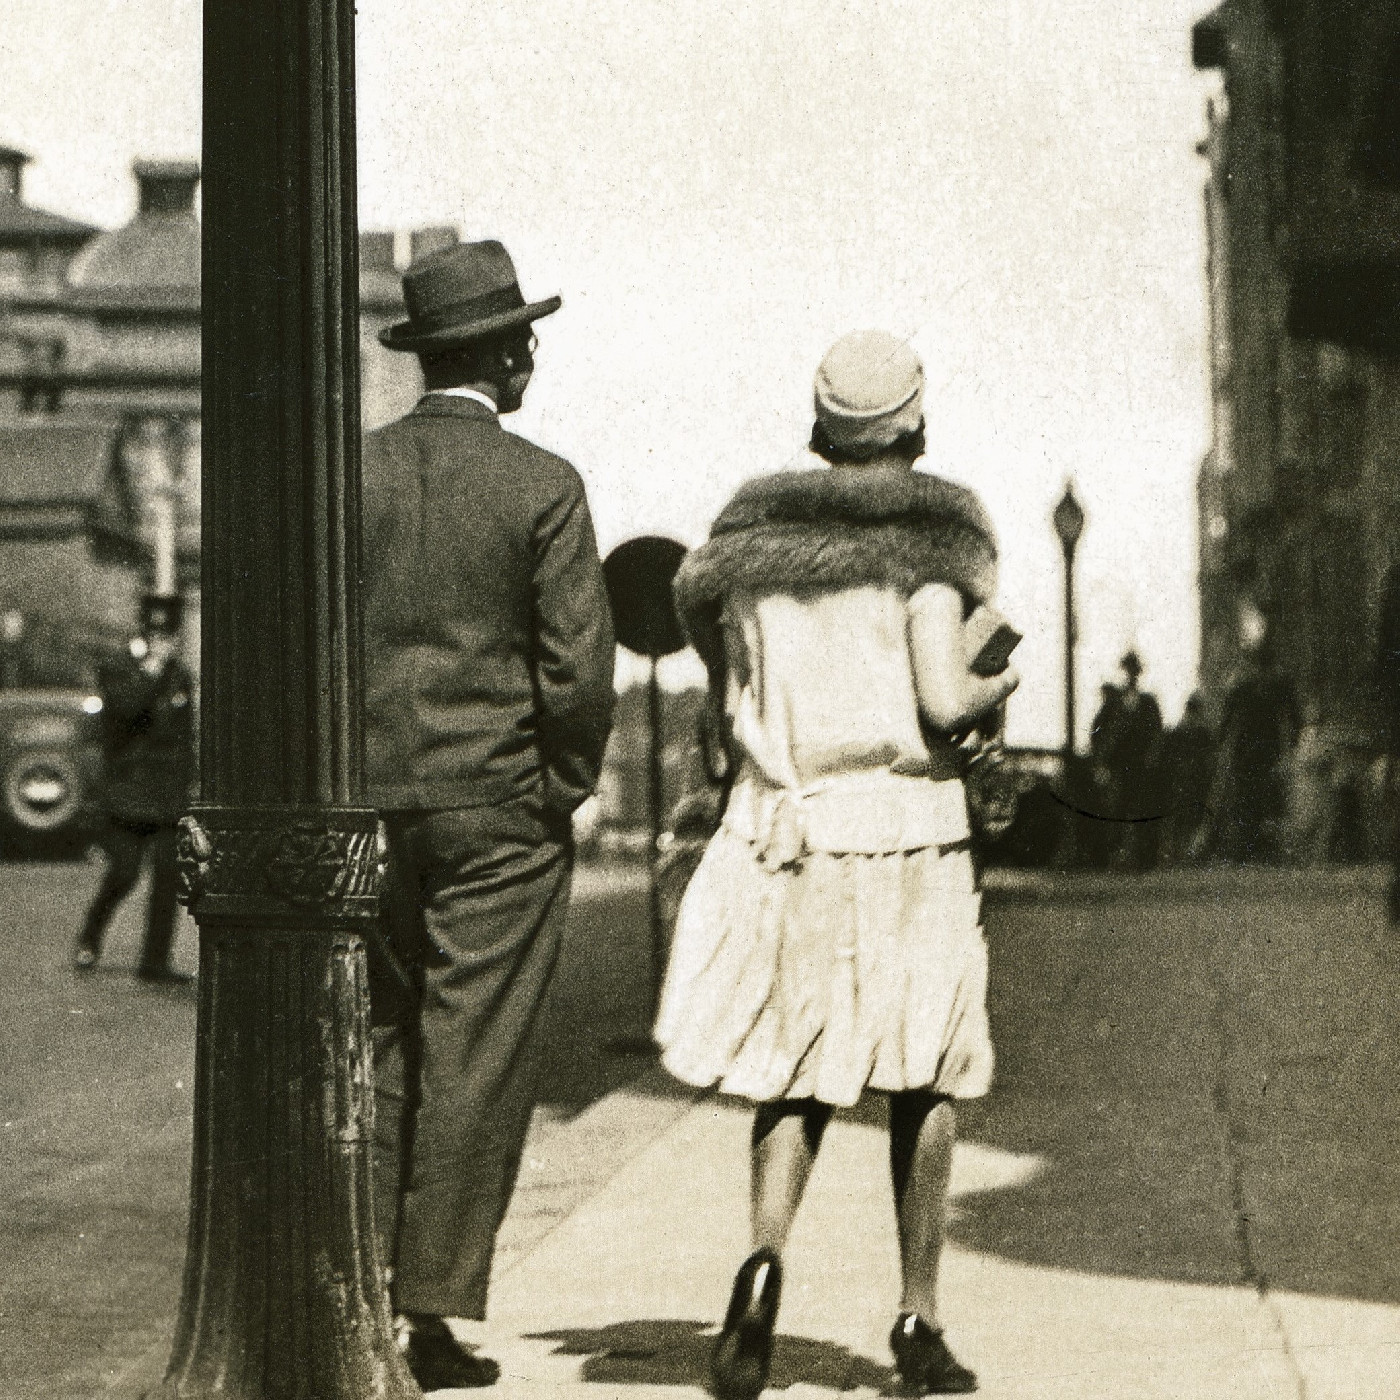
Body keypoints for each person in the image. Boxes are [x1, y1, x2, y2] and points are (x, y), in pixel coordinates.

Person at [658, 331, 1018, 1398]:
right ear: (913, 423)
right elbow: (944, 702)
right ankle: (916, 1316)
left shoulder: (751, 560)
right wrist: (993, 669)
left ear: (820, 429)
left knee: (795, 1068)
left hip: (796, 832)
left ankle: (762, 1263)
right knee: (924, 1071)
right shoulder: (927, 546)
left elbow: (725, 708)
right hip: (908, 830)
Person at [362, 239, 615, 1391]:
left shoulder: (348, 475)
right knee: (475, 1055)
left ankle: (356, 1294)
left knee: (380, 1043)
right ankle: (428, 1310)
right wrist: (557, 787)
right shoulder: (542, 483)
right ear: (505, 351)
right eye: (526, 337)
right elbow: (577, 670)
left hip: (367, 808)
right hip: (497, 809)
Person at [74, 593, 194, 981]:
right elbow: (126, 712)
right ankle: (91, 934)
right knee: (124, 872)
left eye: (169, 635)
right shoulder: (117, 669)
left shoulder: (180, 676)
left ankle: (154, 962)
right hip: (127, 791)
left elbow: (183, 736)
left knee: (167, 875)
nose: (164, 641)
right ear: (144, 633)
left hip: (166, 794)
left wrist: (189, 783)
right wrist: (153, 671)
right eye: (156, 633)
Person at [1209, 637, 1301, 863]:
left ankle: (1257, 849)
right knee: (1253, 800)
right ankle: (1251, 849)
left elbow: (1294, 719)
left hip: (1260, 753)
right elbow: (1228, 721)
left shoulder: (1270, 686)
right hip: (1255, 753)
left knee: (1259, 800)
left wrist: (1290, 747)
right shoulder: (1251, 687)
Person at [1091, 652, 1164, 870]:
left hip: (1142, 765)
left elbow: (1157, 733)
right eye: (1128, 671)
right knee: (1118, 810)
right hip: (1119, 766)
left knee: (1143, 809)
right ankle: (1116, 857)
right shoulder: (1113, 703)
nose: (1131, 675)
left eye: (1135, 671)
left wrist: (1152, 756)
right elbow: (1097, 731)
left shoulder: (1148, 702)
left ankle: (1143, 859)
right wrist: (1101, 761)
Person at [1160, 693, 1216, 864]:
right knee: (1187, 814)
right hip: (1189, 776)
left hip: (1189, 776)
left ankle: (1184, 852)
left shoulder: (1186, 731)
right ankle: (1183, 852)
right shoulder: (1195, 731)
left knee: (1187, 814)